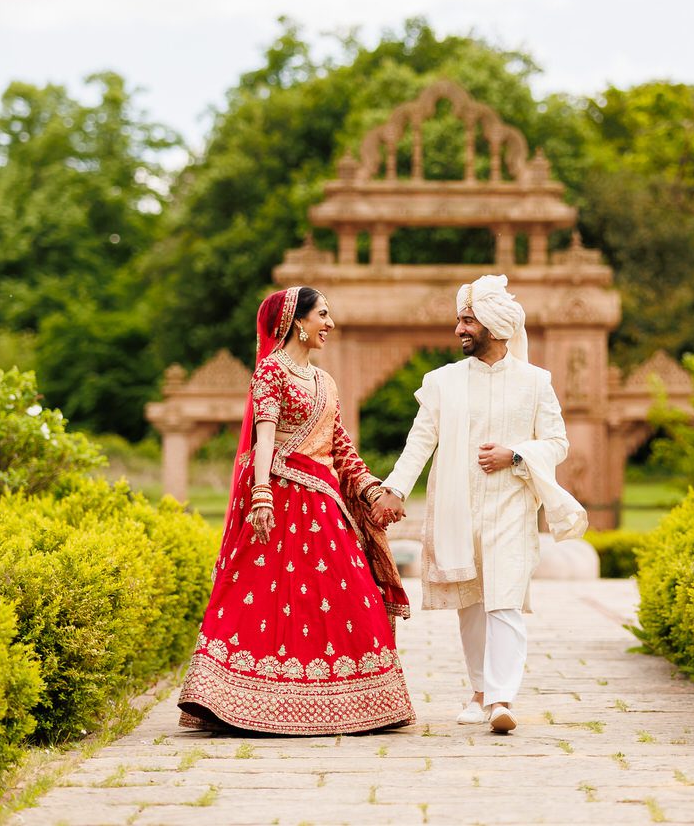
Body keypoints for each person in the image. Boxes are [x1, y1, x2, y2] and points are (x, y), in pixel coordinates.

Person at [178, 286, 416, 735]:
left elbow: (340, 447)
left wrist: (370, 491)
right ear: (297, 322)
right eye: (322, 315)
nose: (329, 324)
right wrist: (262, 494)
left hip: (325, 506)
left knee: (345, 596)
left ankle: (352, 701)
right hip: (282, 500)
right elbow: (262, 438)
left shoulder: (325, 382)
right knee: (267, 597)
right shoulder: (272, 371)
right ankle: (244, 698)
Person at [372, 274, 587, 734]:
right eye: (459, 320)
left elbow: (557, 442)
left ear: (494, 325)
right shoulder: (442, 382)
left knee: (504, 599)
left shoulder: (535, 382)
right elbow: (420, 441)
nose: (459, 330)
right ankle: (480, 692)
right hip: (456, 504)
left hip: (511, 502)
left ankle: (502, 698)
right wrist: (395, 489)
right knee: (470, 601)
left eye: (467, 320)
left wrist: (516, 453)